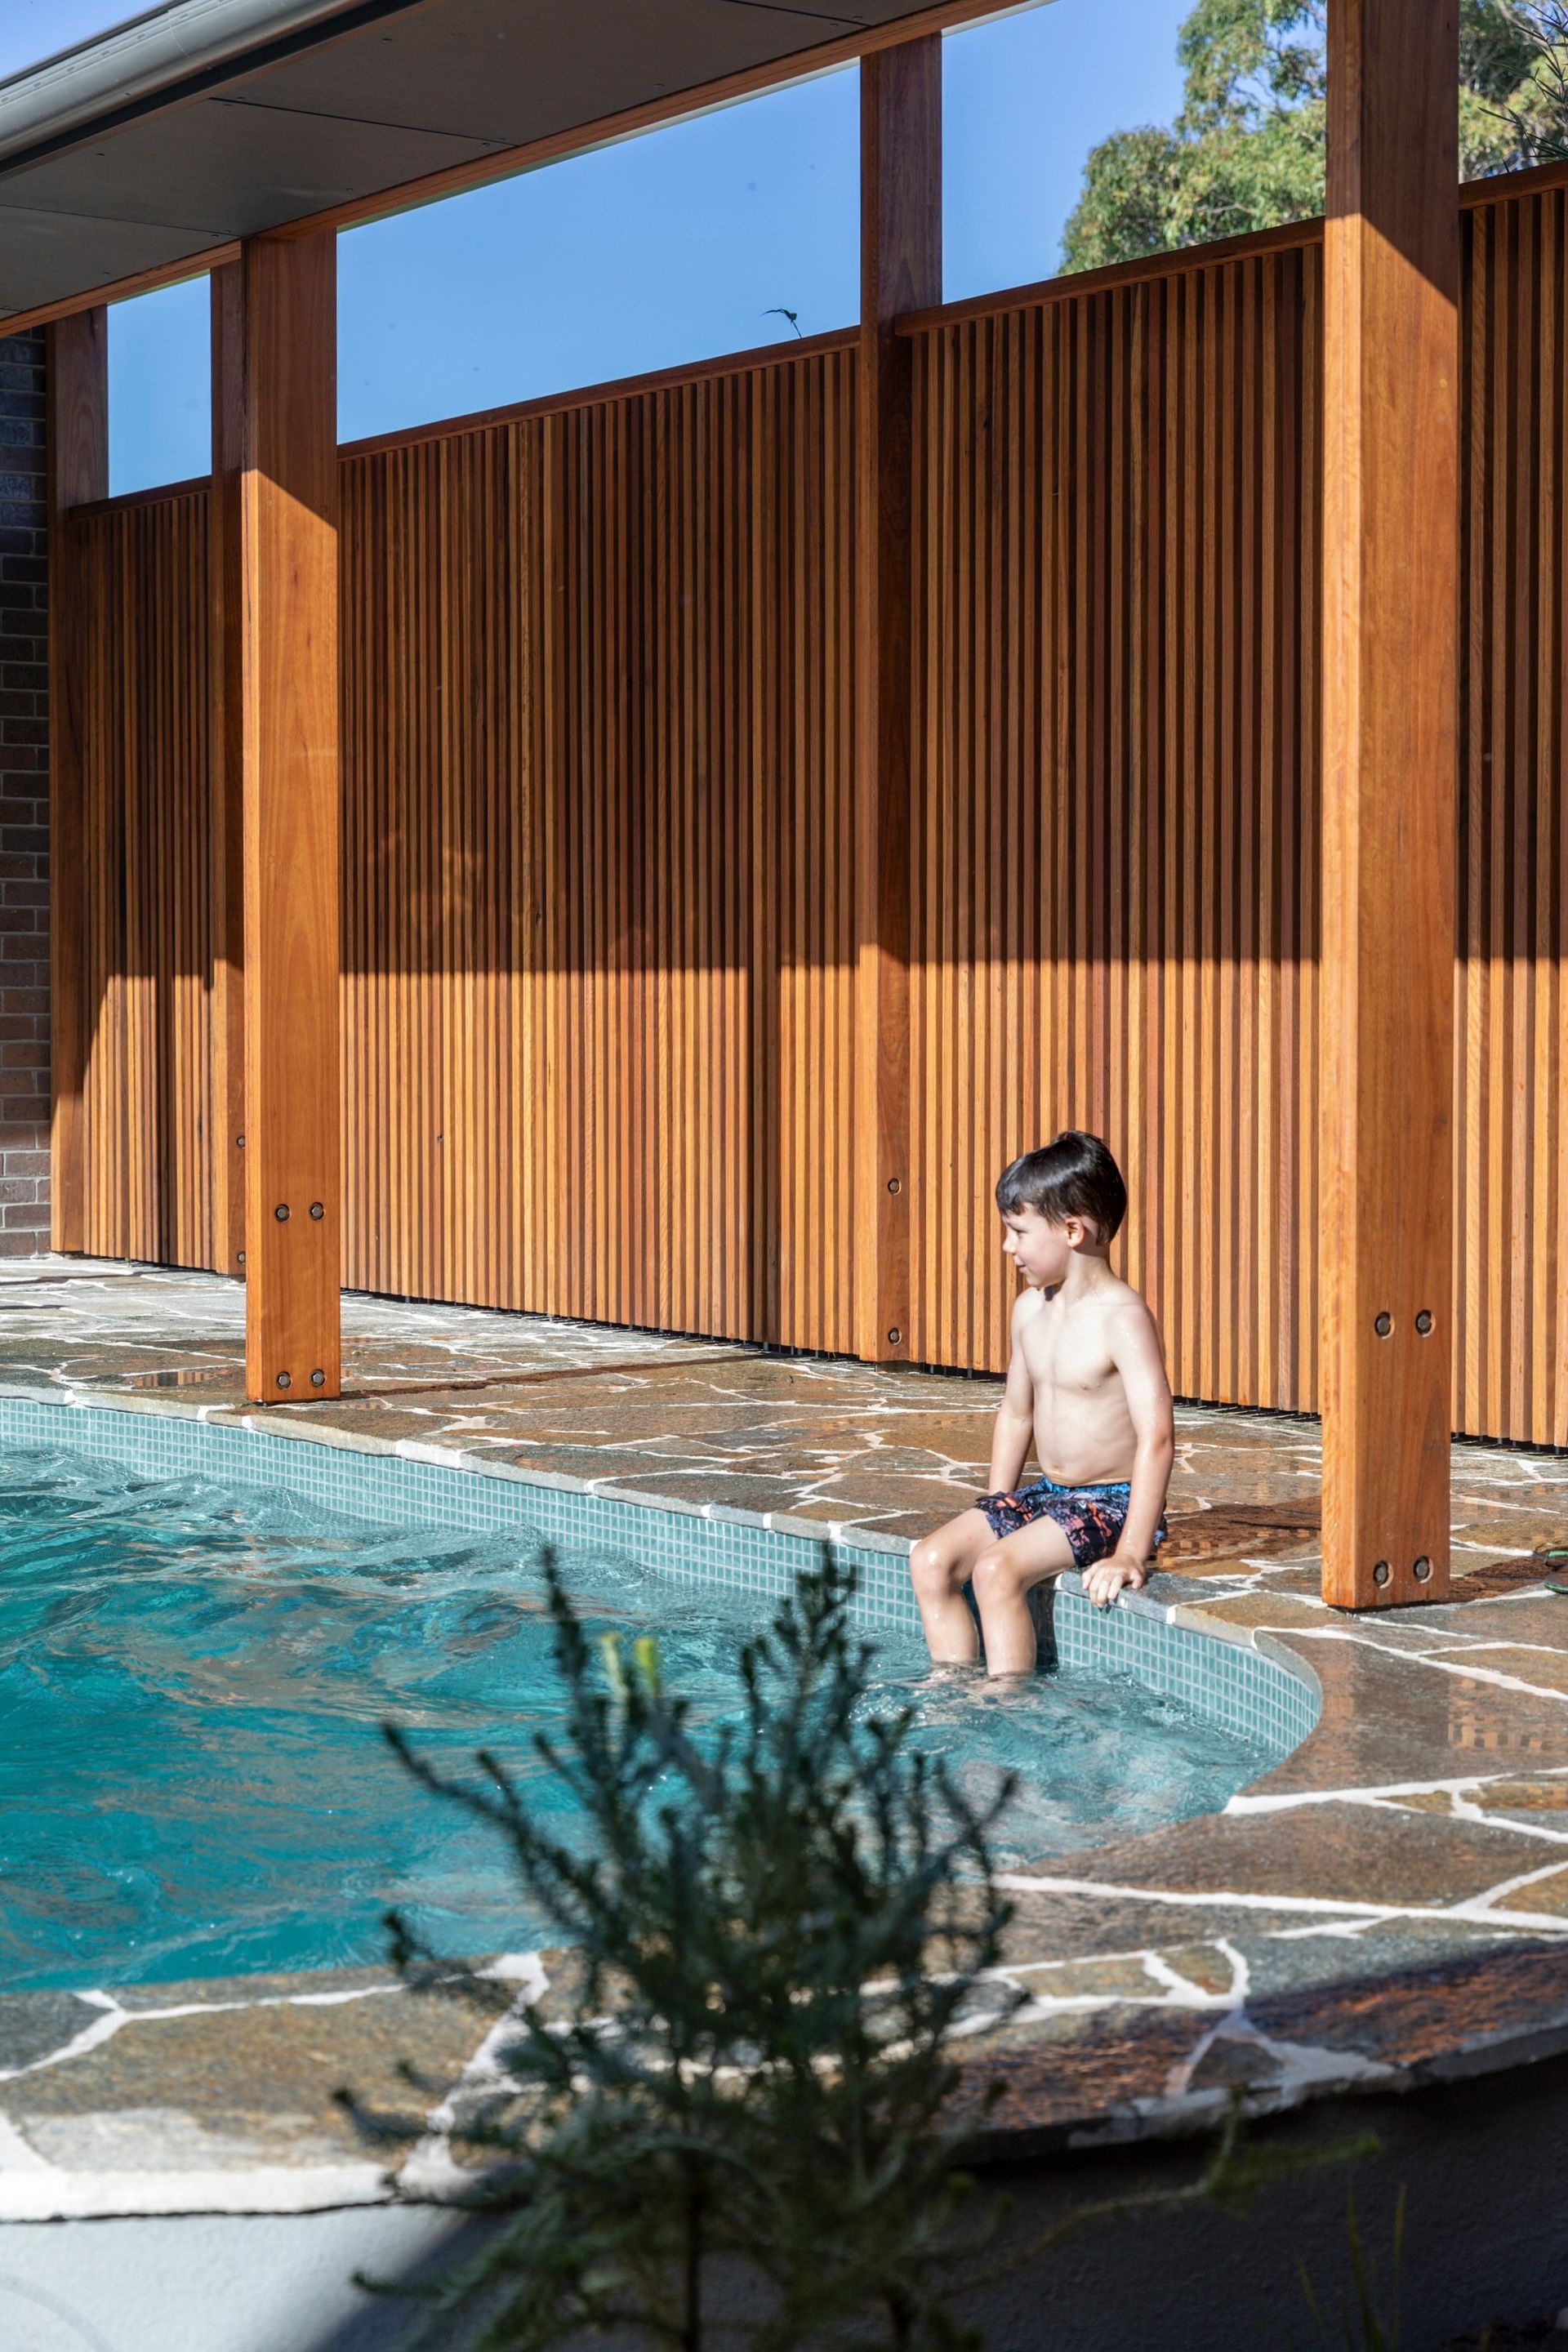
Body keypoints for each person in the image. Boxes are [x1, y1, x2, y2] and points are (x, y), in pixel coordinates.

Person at [910, 1130, 1174, 1676]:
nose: (1008, 1248)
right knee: (931, 1560)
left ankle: (1007, 1706)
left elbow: (1157, 1437)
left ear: (1073, 1230)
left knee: (996, 1572)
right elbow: (1017, 1413)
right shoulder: (1028, 1311)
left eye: (1018, 1232)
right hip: (1051, 1494)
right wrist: (996, 1506)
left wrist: (1130, 1549)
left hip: (1111, 1502)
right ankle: (955, 1692)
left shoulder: (1121, 1319)